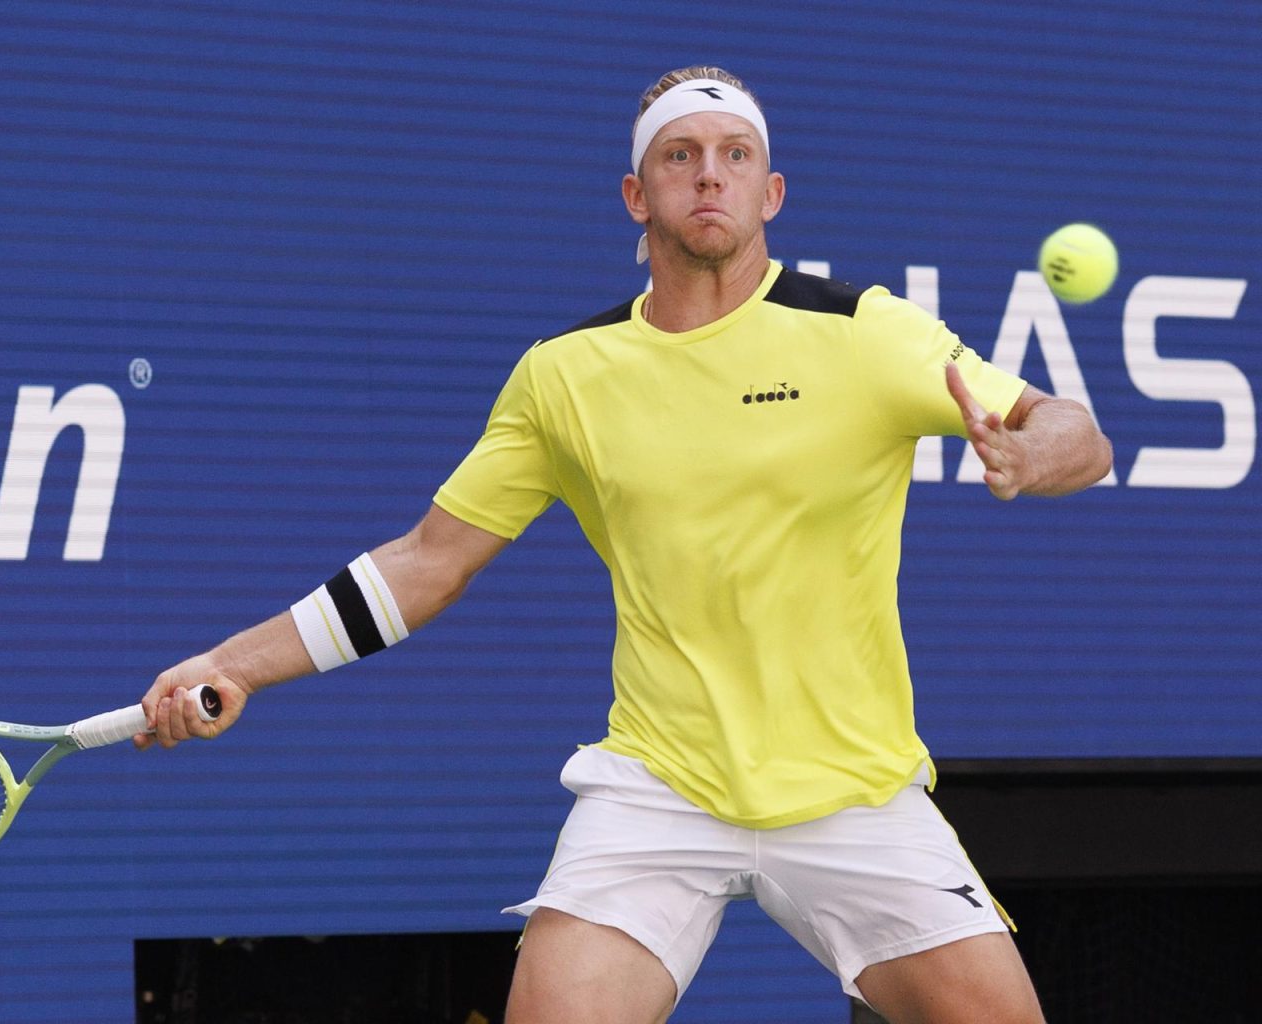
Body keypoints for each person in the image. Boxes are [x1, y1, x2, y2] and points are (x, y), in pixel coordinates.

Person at [135, 65, 1113, 1024]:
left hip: (854, 790)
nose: (709, 175)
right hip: (662, 785)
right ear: (636, 194)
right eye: (680, 155)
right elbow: (428, 561)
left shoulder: (864, 332)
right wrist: (236, 665)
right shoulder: (565, 376)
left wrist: (1029, 455)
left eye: (735, 156)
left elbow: (1078, 431)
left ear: (771, 192)